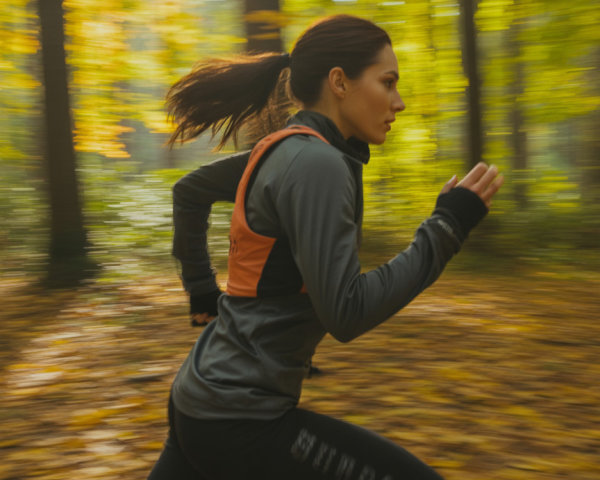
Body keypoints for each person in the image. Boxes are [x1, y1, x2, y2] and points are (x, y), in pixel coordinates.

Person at [148, 14, 503, 480]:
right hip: (238, 420)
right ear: (339, 81)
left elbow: (188, 192)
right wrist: (447, 227)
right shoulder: (316, 163)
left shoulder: (286, 149)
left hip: (202, 398)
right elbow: (346, 312)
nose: (398, 101)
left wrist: (200, 289)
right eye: (387, 82)